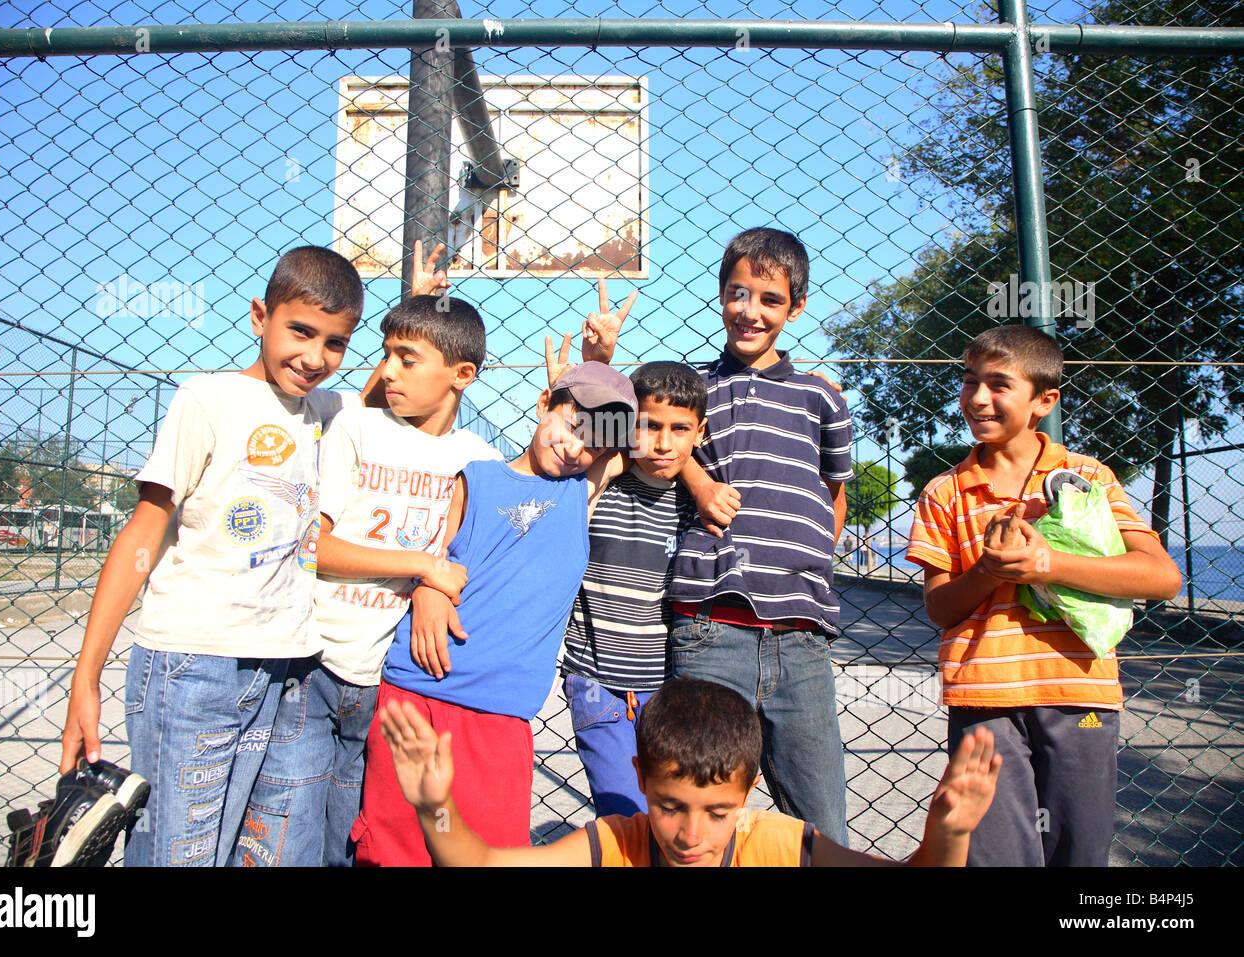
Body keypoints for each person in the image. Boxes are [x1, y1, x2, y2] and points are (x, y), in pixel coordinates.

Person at [56, 242, 450, 867]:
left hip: (286, 670)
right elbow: (143, 534)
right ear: (258, 317)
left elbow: (382, 391)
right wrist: (86, 677)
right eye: (300, 331)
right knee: (181, 851)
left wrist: (417, 304)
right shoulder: (207, 399)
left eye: (335, 343)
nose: (314, 357)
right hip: (194, 663)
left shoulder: (327, 411)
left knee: (262, 849)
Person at [233, 294, 503, 867]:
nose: (389, 370)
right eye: (386, 355)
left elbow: (469, 562)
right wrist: (419, 566)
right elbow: (315, 547)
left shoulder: (478, 461)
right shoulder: (357, 427)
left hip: (390, 677)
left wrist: (434, 584)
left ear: (462, 375)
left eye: (407, 358)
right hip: (314, 662)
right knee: (288, 826)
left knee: (355, 832)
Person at [906, 324, 1182, 866]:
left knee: (1078, 849)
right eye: (968, 382)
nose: (978, 398)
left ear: (1044, 400)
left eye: (999, 384)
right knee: (995, 853)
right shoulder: (945, 493)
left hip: (1079, 694)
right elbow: (941, 608)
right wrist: (990, 569)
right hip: (984, 698)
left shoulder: (1086, 476)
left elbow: (1160, 577)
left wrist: (1046, 564)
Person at [352, 350, 638, 867]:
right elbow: (433, 557)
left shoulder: (581, 491)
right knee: (394, 851)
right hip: (417, 694)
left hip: (501, 718)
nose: (575, 448)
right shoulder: (476, 475)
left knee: (488, 853)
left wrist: (599, 364)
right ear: (543, 403)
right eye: (570, 425)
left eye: (593, 443)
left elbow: (655, 444)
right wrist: (429, 588)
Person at [378, 676, 1002, 866]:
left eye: (717, 812)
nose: (691, 835)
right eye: (671, 806)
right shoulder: (615, 843)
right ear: (640, 779)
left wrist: (948, 836)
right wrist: (435, 804)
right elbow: (479, 864)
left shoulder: (781, 845)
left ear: (749, 793)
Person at [667, 227, 855, 843]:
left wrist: (816, 553)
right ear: (721, 294)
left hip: (801, 635)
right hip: (710, 626)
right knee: (704, 816)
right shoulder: (692, 386)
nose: (750, 311)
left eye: (769, 299)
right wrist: (697, 480)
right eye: (738, 293)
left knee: (820, 826)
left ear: (795, 308)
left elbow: (835, 492)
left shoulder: (820, 396)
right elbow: (647, 437)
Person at [560, 360, 706, 817]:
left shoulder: (698, 503)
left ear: (699, 432)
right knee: (625, 812)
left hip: (668, 687)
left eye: (679, 428)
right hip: (596, 680)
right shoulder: (601, 482)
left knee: (674, 810)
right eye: (648, 426)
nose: (663, 443)